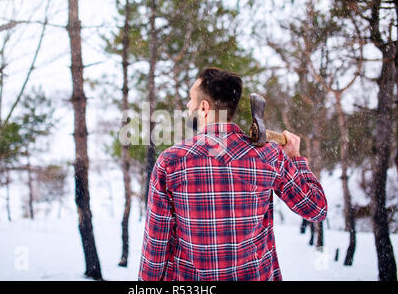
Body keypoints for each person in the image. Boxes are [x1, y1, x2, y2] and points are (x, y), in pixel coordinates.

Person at [138, 67, 327, 281]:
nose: (188, 106)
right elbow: (317, 208)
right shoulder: (270, 156)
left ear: (204, 106)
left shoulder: (171, 161)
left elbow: (157, 243)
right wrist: (294, 158)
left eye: (191, 99)